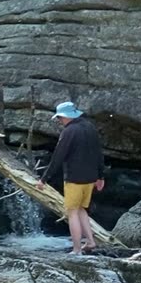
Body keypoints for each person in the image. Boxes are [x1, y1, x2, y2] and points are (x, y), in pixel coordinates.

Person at [37, 101, 105, 254]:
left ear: (66, 116)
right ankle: (90, 241)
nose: (59, 121)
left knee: (72, 212)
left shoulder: (69, 132)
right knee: (81, 209)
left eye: (60, 118)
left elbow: (58, 157)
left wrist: (44, 179)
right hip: (90, 179)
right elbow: (99, 153)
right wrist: (100, 176)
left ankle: (76, 250)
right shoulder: (90, 128)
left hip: (74, 179)